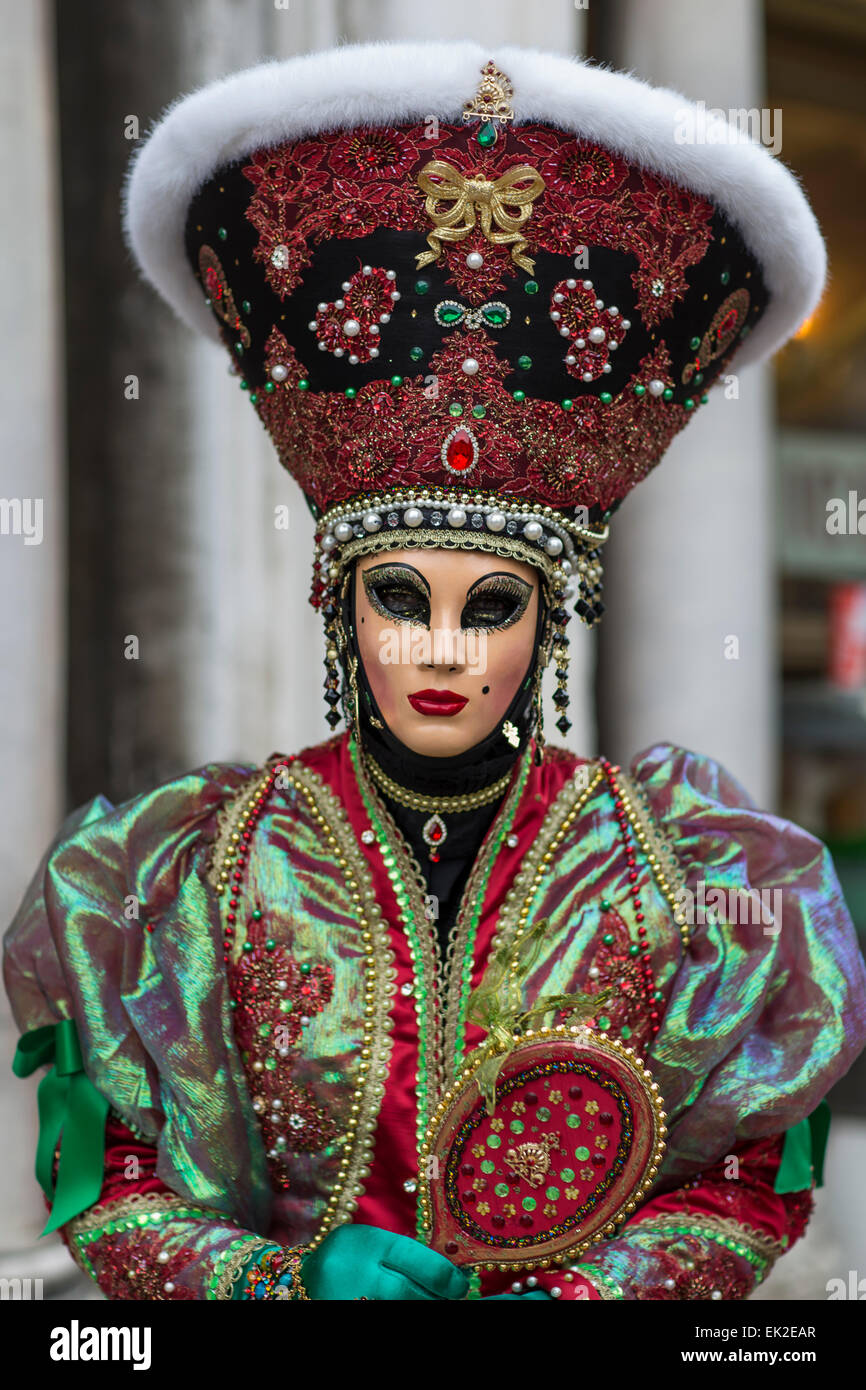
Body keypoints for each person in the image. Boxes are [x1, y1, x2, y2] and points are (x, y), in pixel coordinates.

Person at [5, 39, 866, 1302]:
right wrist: (286, 1283)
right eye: (399, 600)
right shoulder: (196, 868)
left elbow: (744, 1181)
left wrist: (591, 1294)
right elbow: (115, 1183)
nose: (446, 653)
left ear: (548, 617)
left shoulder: (675, 868)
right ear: (336, 600)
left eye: (493, 605)